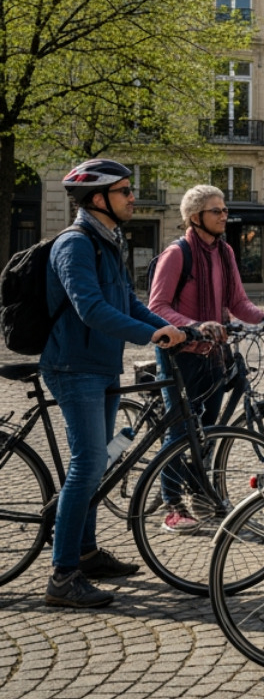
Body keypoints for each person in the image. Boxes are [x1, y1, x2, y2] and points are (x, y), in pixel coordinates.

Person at [40, 160, 185, 608]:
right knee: (87, 464)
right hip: (72, 365)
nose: (132, 197)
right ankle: (62, 577)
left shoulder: (109, 241)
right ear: (98, 199)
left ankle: (85, 552)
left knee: (99, 462)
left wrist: (177, 326)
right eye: (124, 191)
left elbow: (128, 302)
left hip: (101, 363)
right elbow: (90, 309)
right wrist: (151, 335)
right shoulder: (75, 244)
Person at [149, 184, 264, 534]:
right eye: (216, 211)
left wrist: (261, 317)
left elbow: (237, 301)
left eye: (225, 210)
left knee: (206, 433)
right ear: (195, 217)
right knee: (179, 432)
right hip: (180, 356)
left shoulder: (225, 252)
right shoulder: (178, 254)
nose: (224, 216)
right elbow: (157, 307)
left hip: (214, 356)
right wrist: (195, 325)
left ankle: (201, 494)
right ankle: (171, 504)